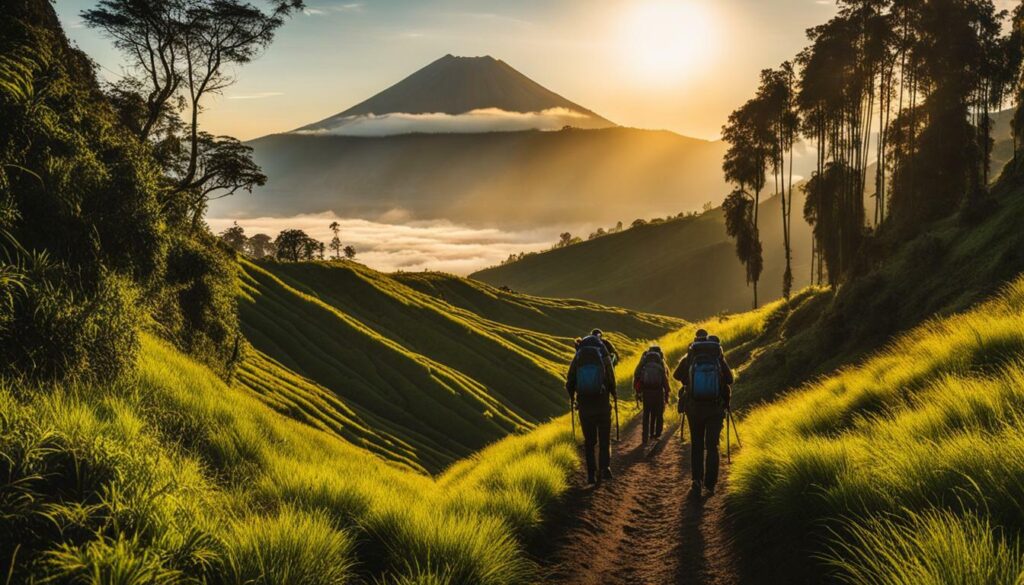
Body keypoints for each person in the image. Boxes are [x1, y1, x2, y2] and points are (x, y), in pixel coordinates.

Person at [673, 329, 734, 497]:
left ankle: (696, 481)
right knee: (712, 446)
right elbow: (730, 379)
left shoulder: (691, 355)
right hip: (715, 409)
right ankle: (710, 484)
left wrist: (689, 380)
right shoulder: (717, 356)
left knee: (697, 445)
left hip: (694, 408)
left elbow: (676, 375)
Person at [566, 333, 617, 484]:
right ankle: (605, 468)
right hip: (602, 404)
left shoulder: (578, 357)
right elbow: (612, 379)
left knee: (589, 442)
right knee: (604, 438)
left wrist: (574, 397)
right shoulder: (603, 356)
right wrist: (613, 394)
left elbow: (569, 382)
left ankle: (590, 474)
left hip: (585, 406)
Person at [633, 345, 670, 444]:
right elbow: (665, 379)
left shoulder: (644, 362)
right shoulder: (661, 363)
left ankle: (644, 437)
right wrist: (667, 393)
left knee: (646, 414)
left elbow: (636, 374)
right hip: (658, 392)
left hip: (646, 392)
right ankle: (657, 434)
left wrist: (638, 391)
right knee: (658, 413)